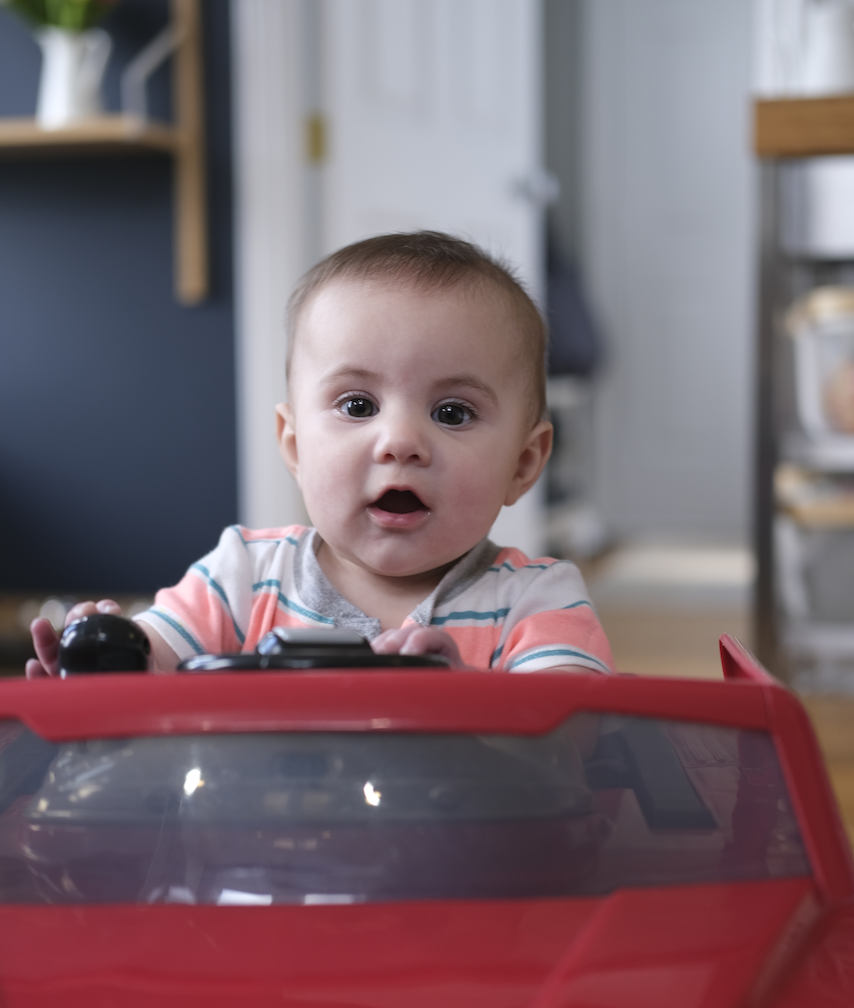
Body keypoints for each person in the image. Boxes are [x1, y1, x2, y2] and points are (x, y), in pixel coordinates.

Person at [27, 232, 612, 678]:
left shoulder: (537, 601)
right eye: (358, 406)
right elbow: (153, 663)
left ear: (524, 463)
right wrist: (104, 656)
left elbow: (575, 735)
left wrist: (460, 695)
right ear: (295, 445)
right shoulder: (243, 577)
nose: (399, 441)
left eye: (452, 413)